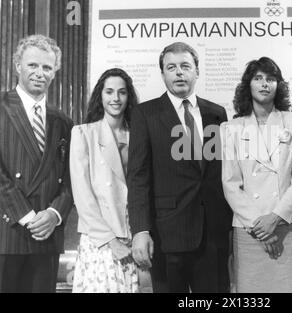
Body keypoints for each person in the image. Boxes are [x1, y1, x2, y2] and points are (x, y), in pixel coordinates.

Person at [127, 42, 232, 293]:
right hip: (166, 235)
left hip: (212, 235)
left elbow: (220, 173)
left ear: (197, 71)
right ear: (163, 74)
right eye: (171, 67)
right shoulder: (145, 114)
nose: (179, 72)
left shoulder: (217, 113)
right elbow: (138, 177)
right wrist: (140, 230)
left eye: (185, 66)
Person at [221, 57, 292, 292]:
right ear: (248, 85)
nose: (264, 84)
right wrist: (260, 227)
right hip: (249, 229)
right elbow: (230, 184)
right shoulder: (231, 128)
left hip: (289, 225)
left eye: (270, 79)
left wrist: (275, 218)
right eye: (258, 78)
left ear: (278, 85)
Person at [0, 34, 73, 292]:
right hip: (7, 233)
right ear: (17, 65)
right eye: (33, 65)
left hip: (47, 237)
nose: (40, 73)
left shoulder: (63, 121)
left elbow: (71, 179)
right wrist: (27, 216)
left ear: (55, 72)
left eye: (47, 67)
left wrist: (54, 214)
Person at [70, 68, 139, 293]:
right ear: (100, 95)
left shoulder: (139, 135)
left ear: (129, 97)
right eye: (109, 92)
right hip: (100, 240)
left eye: (122, 92)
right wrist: (111, 242)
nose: (115, 98)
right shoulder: (83, 134)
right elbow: (83, 198)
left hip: (133, 237)